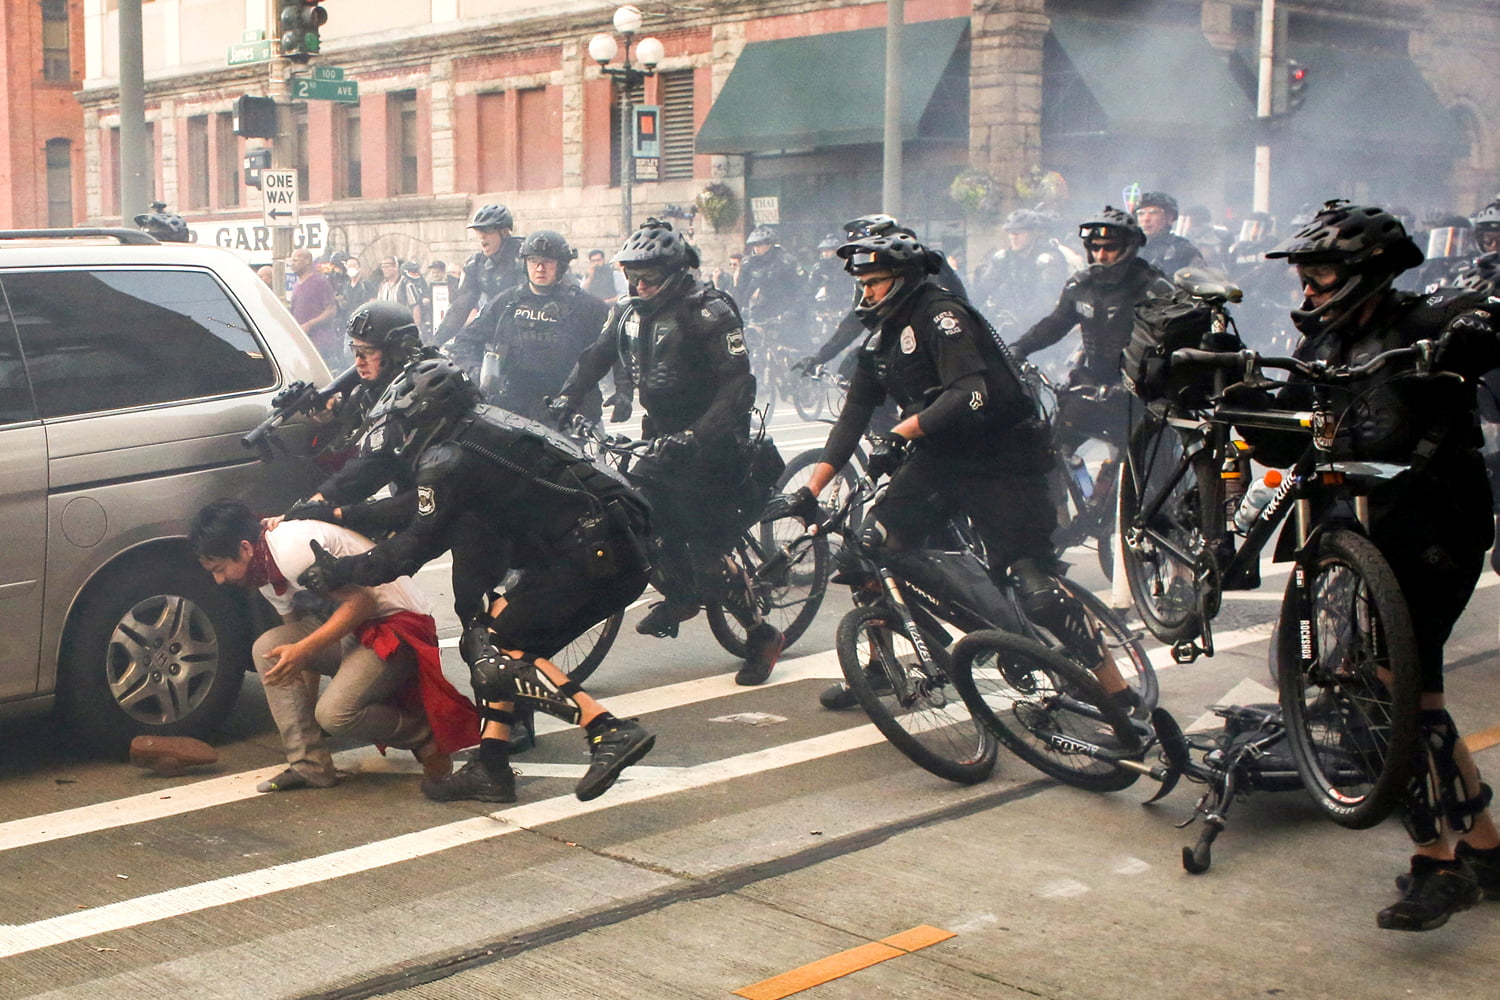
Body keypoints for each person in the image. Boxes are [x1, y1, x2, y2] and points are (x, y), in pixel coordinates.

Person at [1230, 200, 1500, 931]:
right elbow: (1290, 442)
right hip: (1358, 541)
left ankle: (1436, 867)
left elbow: (1486, 319)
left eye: (1320, 275)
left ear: (1366, 273)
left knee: (1387, 702)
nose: (1309, 290)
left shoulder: (1427, 323)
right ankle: (1482, 847)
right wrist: (1240, 401)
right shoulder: (1319, 346)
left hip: (1432, 533)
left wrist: (1482, 325)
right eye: (1306, 277)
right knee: (1419, 701)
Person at [762, 230, 1139, 714]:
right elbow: (853, 416)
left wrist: (902, 432)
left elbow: (969, 393)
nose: (866, 292)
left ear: (903, 278)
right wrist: (810, 489)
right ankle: (886, 665)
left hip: (1003, 457)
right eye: (862, 283)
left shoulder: (941, 314)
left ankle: (1117, 693)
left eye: (875, 282)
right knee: (868, 551)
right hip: (940, 458)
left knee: (1039, 591)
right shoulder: (880, 340)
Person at [289, 358, 657, 803]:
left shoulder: (449, 458)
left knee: (494, 651)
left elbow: (411, 547)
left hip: (594, 557)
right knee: (489, 640)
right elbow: (417, 507)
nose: (402, 438)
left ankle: (608, 730)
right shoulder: (477, 430)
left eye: (405, 425)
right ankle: (492, 767)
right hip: (607, 545)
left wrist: (340, 571)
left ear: (427, 415)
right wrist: (337, 513)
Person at [553, 219, 785, 686]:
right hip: (660, 434)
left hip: (714, 442)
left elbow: (739, 386)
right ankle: (680, 596)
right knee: (635, 520)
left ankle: (761, 636)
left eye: (649, 278)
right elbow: (596, 355)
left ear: (676, 273)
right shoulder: (627, 308)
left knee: (702, 545)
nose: (638, 286)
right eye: (632, 277)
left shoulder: (710, 310)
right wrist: (566, 398)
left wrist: (697, 436)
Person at [190, 498, 476, 794]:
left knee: (335, 714)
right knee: (269, 648)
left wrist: (303, 653)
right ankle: (309, 764)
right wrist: (302, 709)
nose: (219, 580)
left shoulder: (289, 550)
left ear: (245, 548)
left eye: (220, 568)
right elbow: (295, 641)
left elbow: (363, 602)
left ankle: (424, 736)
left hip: (394, 623)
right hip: (351, 626)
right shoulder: (260, 571)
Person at [1012, 206, 1175, 447]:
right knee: (1053, 453)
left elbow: (1170, 343)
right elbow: (1055, 324)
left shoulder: (1153, 288)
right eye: (1095, 247)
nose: (1101, 254)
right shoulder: (1080, 286)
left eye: (1109, 247)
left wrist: (1144, 383)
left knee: (1146, 472)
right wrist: (1018, 348)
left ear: (1128, 247)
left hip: (1141, 396)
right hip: (1092, 387)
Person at [449, 230, 613, 424]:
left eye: (548, 261)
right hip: (515, 410)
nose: (540, 268)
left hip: (570, 412)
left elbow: (616, 343)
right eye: (534, 260)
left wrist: (624, 390)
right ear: (525, 264)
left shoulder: (587, 307)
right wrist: (478, 373)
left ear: (561, 265)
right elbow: (463, 342)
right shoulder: (506, 303)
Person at [971, 208, 1074, 336]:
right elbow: (982, 290)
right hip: (1013, 321)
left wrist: (1019, 323)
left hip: (1046, 328)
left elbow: (1046, 302)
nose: (1013, 237)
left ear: (1033, 233)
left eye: (1019, 232)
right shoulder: (1004, 258)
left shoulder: (1048, 260)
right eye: (1010, 233)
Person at [434, 204, 525, 344]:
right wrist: (434, 344)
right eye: (478, 231)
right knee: (462, 346)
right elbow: (460, 308)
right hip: (496, 330)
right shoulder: (476, 264)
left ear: (504, 232)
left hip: (530, 330)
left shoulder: (526, 257)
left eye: (488, 230)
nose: (482, 237)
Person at [736, 226, 806, 342]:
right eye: (754, 245)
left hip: (786, 307)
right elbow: (741, 289)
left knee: (791, 341)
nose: (756, 248)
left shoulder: (786, 261)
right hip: (763, 306)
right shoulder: (749, 263)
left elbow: (802, 288)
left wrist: (795, 310)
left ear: (769, 244)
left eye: (759, 245)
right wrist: (736, 309)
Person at [290, 247, 341, 364]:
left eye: (295, 260)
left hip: (320, 343)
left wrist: (309, 325)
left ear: (307, 261)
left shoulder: (320, 282)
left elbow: (331, 310)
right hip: (302, 343)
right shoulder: (296, 285)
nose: (292, 264)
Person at [1135, 191, 1204, 277]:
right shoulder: (1128, 248)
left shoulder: (1184, 251)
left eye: (1154, 213)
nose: (1146, 219)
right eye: (1141, 213)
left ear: (1170, 218)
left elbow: (1199, 282)